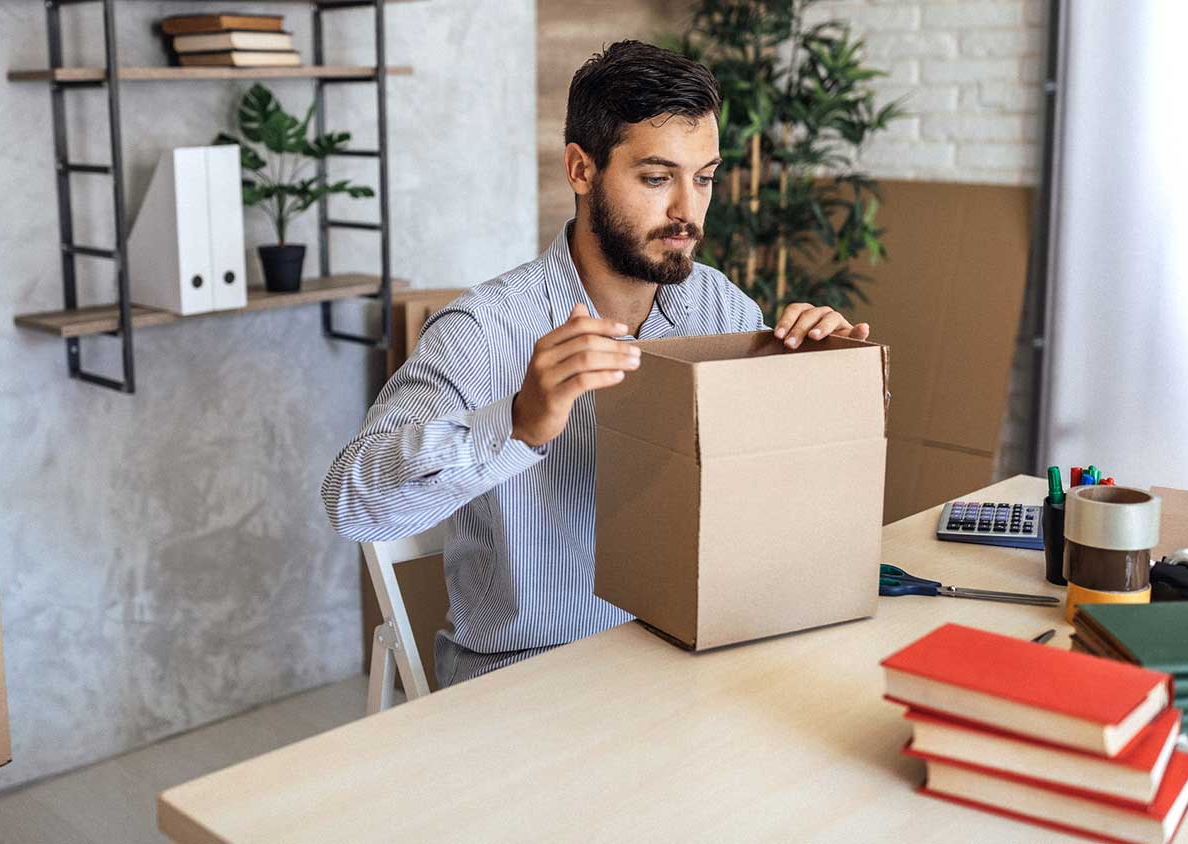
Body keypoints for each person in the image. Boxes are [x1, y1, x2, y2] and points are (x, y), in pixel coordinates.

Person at [322, 40, 871, 688]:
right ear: (581, 170)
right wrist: (518, 425)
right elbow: (351, 501)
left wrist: (819, 383)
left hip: (688, 654)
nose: (687, 213)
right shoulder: (485, 330)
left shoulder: (720, 307)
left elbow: (776, 497)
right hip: (525, 675)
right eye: (657, 178)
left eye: (704, 179)